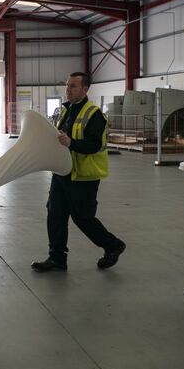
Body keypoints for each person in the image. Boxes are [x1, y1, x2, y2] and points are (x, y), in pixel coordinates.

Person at [32, 72, 125, 272]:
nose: (68, 89)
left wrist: (71, 143)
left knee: (83, 219)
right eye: (67, 85)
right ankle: (57, 258)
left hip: (84, 177)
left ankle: (113, 245)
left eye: (73, 86)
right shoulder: (66, 111)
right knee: (55, 214)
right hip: (62, 174)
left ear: (85, 89)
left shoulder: (94, 114)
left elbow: (94, 144)